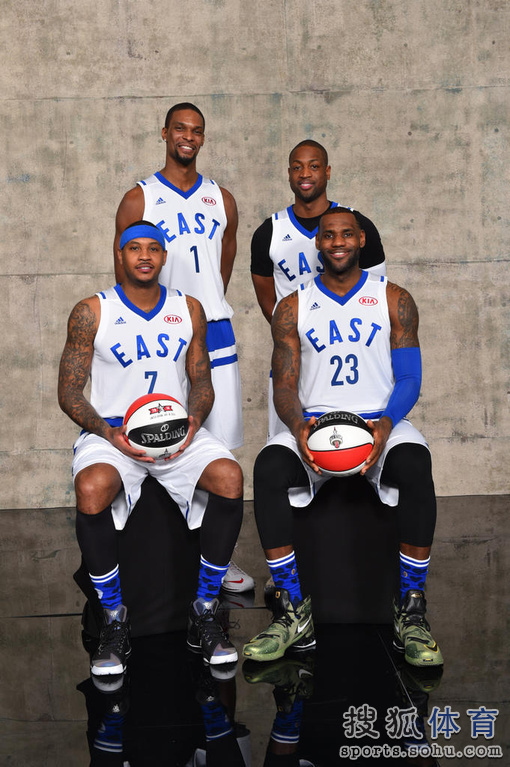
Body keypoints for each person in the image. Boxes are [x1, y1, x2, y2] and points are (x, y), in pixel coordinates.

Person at [243, 207, 443, 669]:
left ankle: (412, 610)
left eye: (347, 234)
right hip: (317, 426)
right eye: (329, 235)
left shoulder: (393, 298)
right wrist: (298, 427)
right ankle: (293, 610)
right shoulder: (291, 306)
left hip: (377, 421)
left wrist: (386, 425)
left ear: (361, 240)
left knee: (415, 464)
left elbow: (409, 378)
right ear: (317, 243)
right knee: (268, 468)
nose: (337, 243)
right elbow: (284, 386)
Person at [58, 221, 244, 675]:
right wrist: (108, 433)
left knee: (230, 477)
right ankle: (114, 617)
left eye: (154, 249)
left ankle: (204, 610)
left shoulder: (189, 307)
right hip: (115, 432)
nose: (144, 256)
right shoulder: (92, 311)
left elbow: (202, 380)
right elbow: (69, 391)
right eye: (134, 248)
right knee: (91, 488)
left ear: (164, 256)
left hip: (176, 430)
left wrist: (194, 422)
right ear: (120, 254)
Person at [114, 102, 253, 593]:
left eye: (196, 130)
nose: (187, 137)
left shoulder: (222, 199)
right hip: (162, 336)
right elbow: (126, 277)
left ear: (203, 138)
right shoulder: (140, 197)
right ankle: (166, 553)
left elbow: (224, 262)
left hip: (212, 329)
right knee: (163, 438)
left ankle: (217, 558)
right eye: (179, 129)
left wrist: (204, 306)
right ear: (165, 133)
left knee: (217, 447)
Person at [251, 139, 386, 439]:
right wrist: (297, 335)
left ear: (327, 172)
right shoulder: (268, 232)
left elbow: (377, 298)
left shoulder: (357, 225)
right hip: (295, 357)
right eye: (297, 167)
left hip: (353, 356)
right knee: (290, 446)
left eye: (313, 166)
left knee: (358, 445)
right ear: (289, 174)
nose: (305, 174)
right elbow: (267, 301)